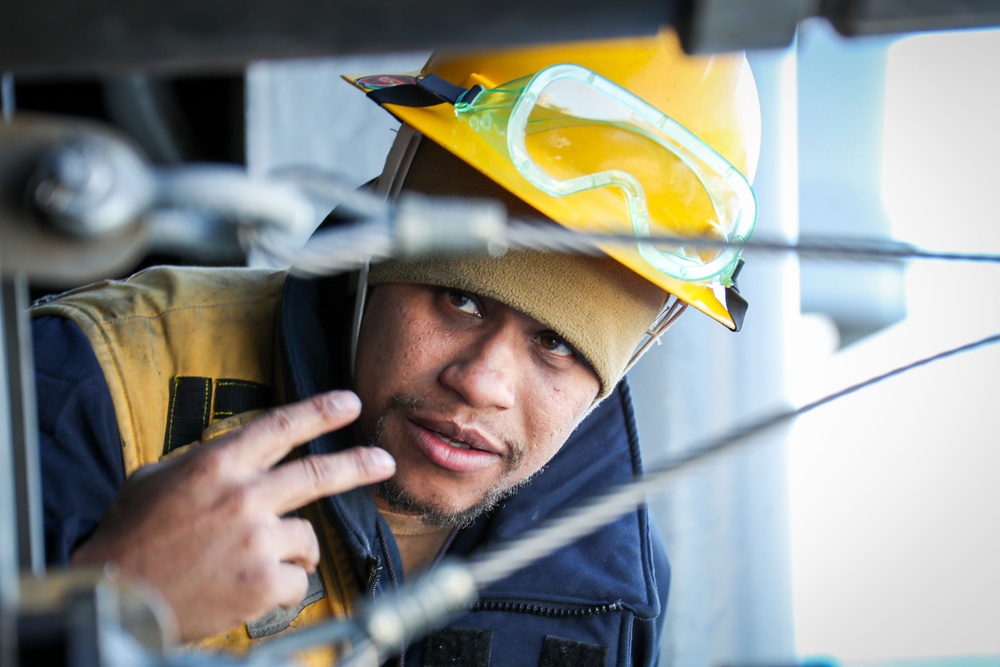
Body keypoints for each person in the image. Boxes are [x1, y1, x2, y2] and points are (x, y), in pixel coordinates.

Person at [32, 28, 759, 667]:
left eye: (557, 344)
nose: (483, 382)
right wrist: (103, 610)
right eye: (460, 297)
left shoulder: (612, 577)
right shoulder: (101, 377)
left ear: (625, 364)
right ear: (381, 246)